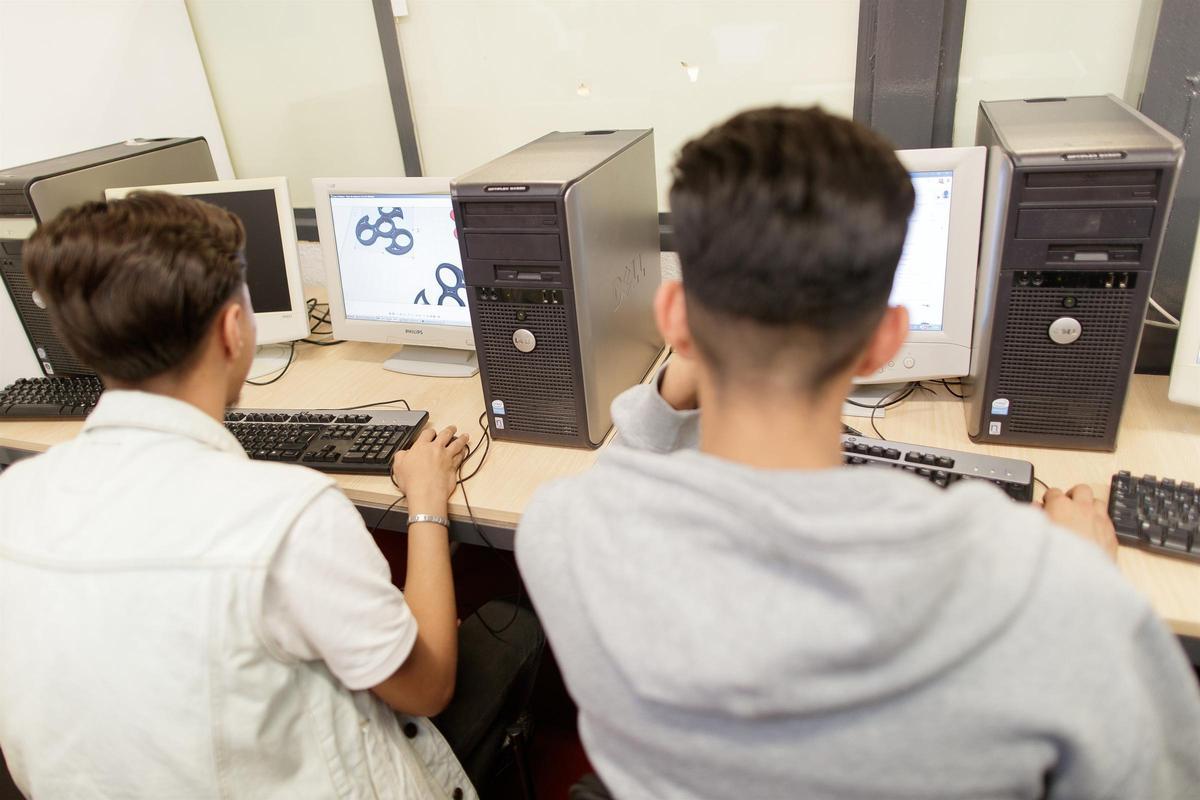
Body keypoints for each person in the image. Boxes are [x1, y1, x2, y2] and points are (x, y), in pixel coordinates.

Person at [516, 107, 1200, 799]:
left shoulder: (561, 531)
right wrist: (1086, 574)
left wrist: (672, 390)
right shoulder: (1054, 594)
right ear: (885, 340)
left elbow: (620, 485)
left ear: (674, 321)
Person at [0, 192, 542, 798]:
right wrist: (426, 501)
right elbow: (428, 685)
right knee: (513, 621)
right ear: (234, 330)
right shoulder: (289, 516)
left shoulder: (13, 498)